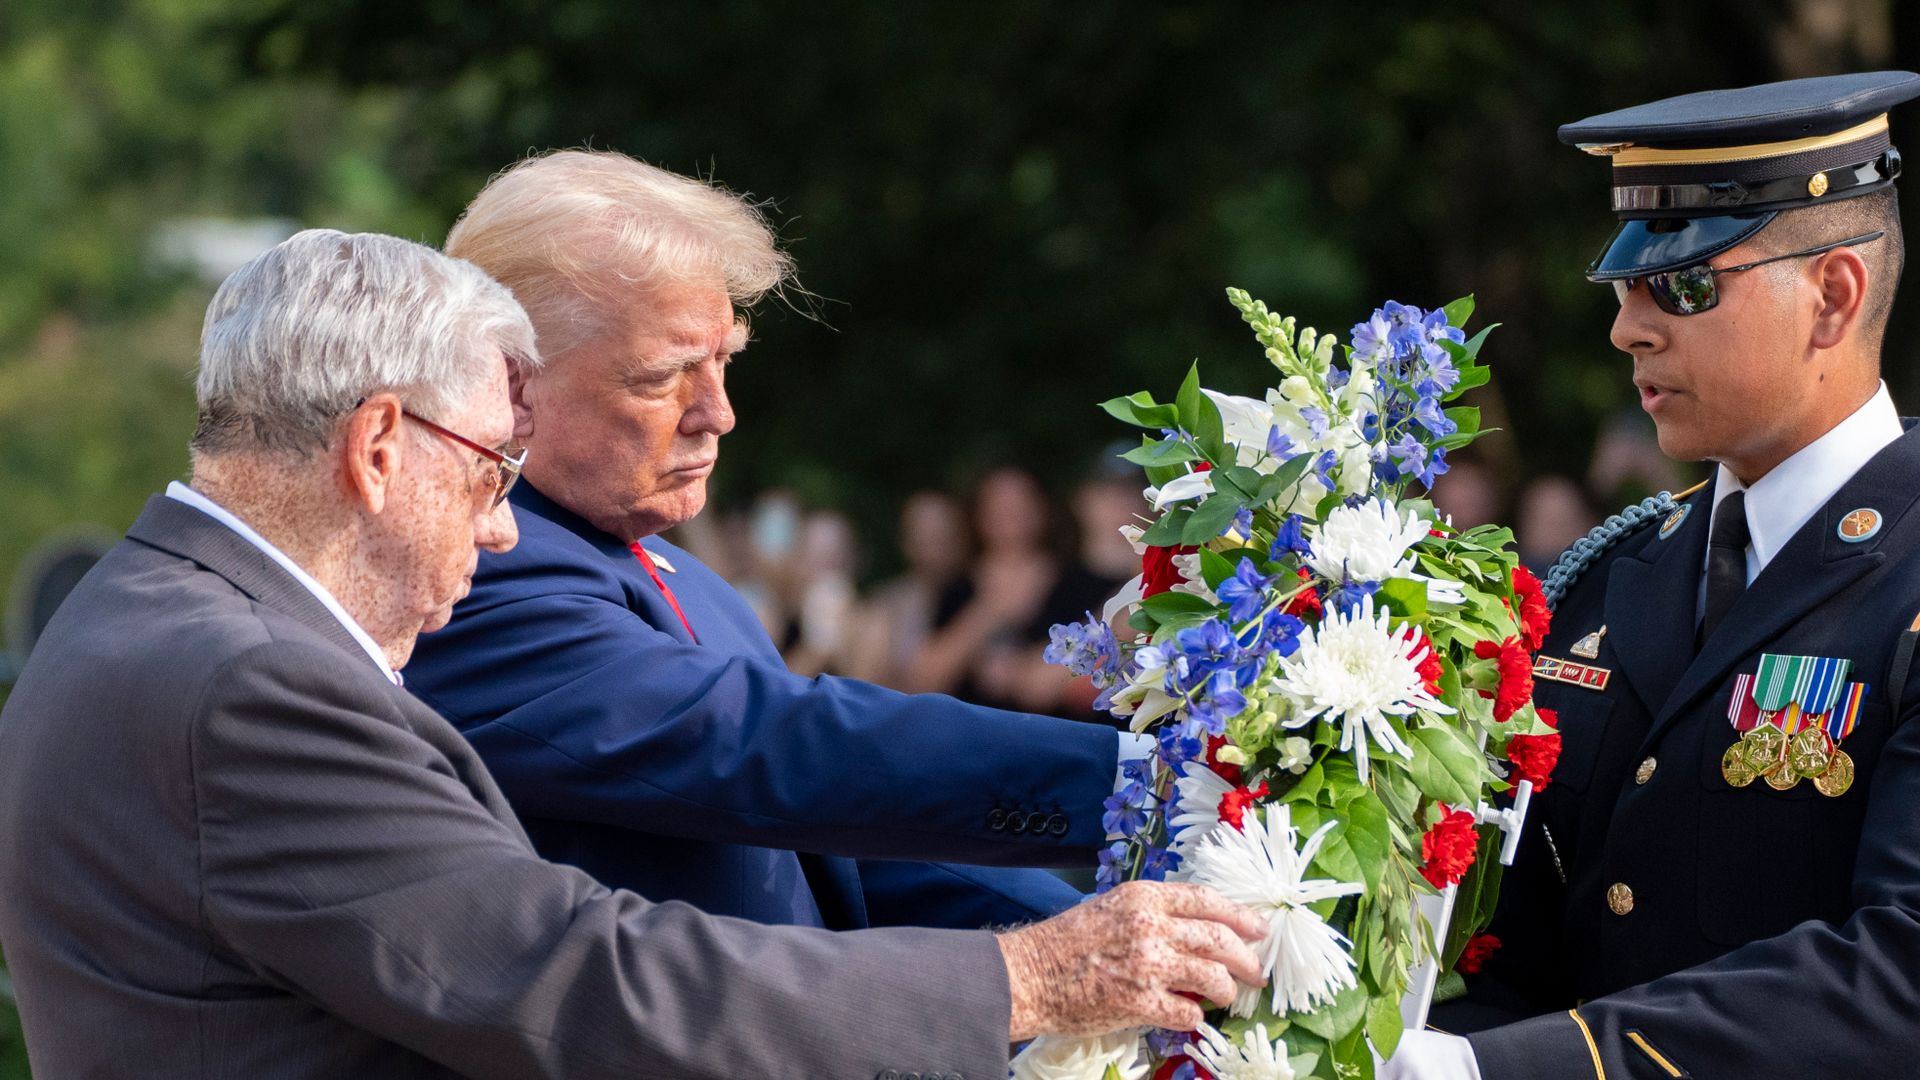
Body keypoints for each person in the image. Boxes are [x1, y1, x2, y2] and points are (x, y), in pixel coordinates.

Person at [0, 229, 1270, 1078]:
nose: (504, 522)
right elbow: (573, 973)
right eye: (497, 466)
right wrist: (1028, 979)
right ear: (379, 447)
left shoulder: (159, 620)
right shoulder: (243, 684)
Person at [407, 152, 1156, 934]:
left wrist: (1111, 945)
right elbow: (778, 749)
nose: (718, 413)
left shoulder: (666, 567)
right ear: (511, 383)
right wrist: (1143, 784)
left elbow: (844, 858)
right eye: (665, 377)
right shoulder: (476, 571)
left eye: (725, 361)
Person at [1403, 71, 1920, 1079]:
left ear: (1833, 295)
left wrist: (1510, 1070)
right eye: (1626, 288)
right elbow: (1509, 936)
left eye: (1683, 287)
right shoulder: (1617, 572)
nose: (1628, 329)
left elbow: (1899, 973)